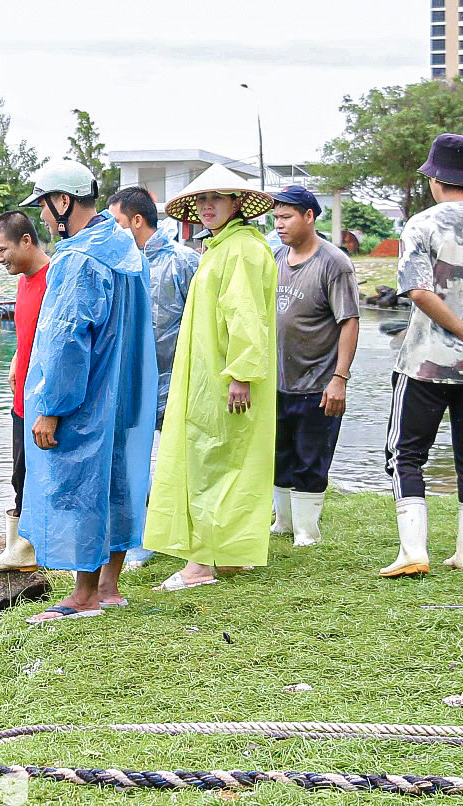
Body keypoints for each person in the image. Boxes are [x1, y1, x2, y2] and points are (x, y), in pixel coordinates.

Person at [14, 160, 157, 622]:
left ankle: (84, 596)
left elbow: (68, 338)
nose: (42, 218)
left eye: (43, 206)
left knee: (79, 486)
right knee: (116, 482)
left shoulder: (78, 259)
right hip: (123, 392)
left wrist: (51, 407)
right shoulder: (125, 248)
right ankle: (110, 588)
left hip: (86, 395)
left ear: (63, 201)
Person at [381, 133, 463, 577]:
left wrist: (461, 330)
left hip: (425, 362)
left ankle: (414, 551)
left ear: (435, 178)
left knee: (406, 454)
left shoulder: (422, 224)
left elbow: (418, 290)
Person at [143, 164, 278, 591]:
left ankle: (199, 564)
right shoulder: (225, 247)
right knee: (232, 462)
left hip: (222, 374)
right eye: (201, 200)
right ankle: (231, 553)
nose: (206, 206)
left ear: (237, 203)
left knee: (206, 463)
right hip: (212, 369)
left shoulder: (238, 249)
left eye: (215, 198)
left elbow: (246, 316)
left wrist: (241, 373)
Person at [107, 186, 200, 572]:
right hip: (133, 380)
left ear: (137, 221)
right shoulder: (120, 263)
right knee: (133, 462)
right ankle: (141, 540)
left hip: (180, 379)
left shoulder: (183, 261)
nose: (112, 232)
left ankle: (190, 537)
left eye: (116, 223)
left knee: (184, 461)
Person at [268, 186, 360, 547]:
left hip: (318, 381)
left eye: (286, 216)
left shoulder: (333, 262)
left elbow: (349, 321)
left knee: (311, 458)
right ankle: (284, 522)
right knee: (280, 455)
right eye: (276, 217)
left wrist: (340, 378)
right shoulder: (275, 258)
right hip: (277, 380)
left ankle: (308, 530)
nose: (279, 225)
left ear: (309, 216)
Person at [0, 211, 49, 573]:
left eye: (2, 249)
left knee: (40, 475)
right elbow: (29, 331)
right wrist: (16, 358)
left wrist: (52, 407)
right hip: (20, 397)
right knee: (19, 474)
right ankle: (21, 548)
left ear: (26, 240)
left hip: (44, 401)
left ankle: (29, 548)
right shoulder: (23, 280)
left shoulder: (52, 278)